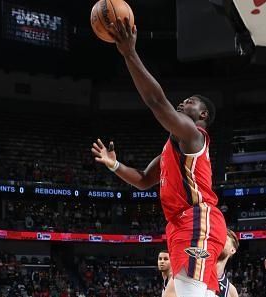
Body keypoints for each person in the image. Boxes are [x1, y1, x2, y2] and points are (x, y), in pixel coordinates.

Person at [91, 17, 227, 297]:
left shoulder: (194, 134)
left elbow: (156, 102)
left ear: (202, 115)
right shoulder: (171, 148)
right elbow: (142, 180)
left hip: (197, 218)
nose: (182, 103)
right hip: (179, 223)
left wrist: (129, 52)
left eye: (190, 101)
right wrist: (114, 164)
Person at [163, 229, 239, 297]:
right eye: (217, 238)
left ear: (233, 250)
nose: (219, 241)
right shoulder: (187, 272)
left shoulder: (231, 291)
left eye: (224, 239)